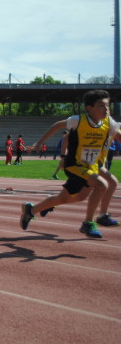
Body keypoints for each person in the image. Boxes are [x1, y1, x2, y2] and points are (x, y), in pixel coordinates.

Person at [20, 90, 120, 238]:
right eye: (101, 106)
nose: (106, 109)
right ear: (89, 108)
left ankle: (31, 210)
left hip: (90, 166)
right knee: (102, 185)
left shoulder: (108, 123)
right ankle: (89, 223)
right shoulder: (78, 120)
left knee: (70, 198)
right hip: (74, 165)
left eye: (107, 106)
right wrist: (39, 142)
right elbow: (57, 125)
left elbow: (117, 136)